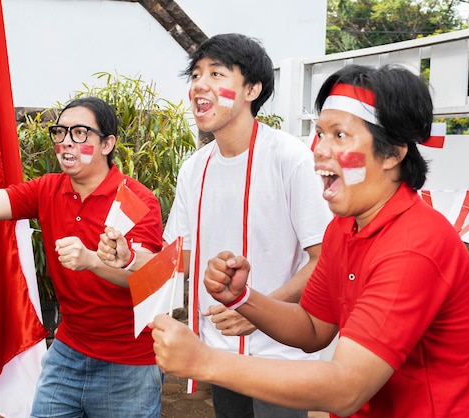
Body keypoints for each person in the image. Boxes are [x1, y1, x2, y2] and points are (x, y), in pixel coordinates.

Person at [149, 64, 469, 417]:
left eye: (339, 135)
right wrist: (244, 298)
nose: (320, 150)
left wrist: (203, 361)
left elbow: (346, 388)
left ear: (393, 153)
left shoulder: (415, 246)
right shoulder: (344, 228)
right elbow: (313, 327)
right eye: (320, 133)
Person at [98, 33, 333, 418]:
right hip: (219, 353)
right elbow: (179, 258)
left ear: (252, 89)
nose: (200, 85)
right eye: (195, 74)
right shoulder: (195, 168)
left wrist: (257, 308)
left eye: (217, 74)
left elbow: (325, 258)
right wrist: (128, 257)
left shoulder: (290, 158)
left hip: (281, 357)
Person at [0, 97, 164, 418]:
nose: (66, 142)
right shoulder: (48, 189)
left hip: (129, 362)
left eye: (80, 133)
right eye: (60, 132)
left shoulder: (134, 199)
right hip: (68, 351)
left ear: (107, 144)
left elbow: (151, 276)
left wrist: (97, 260)